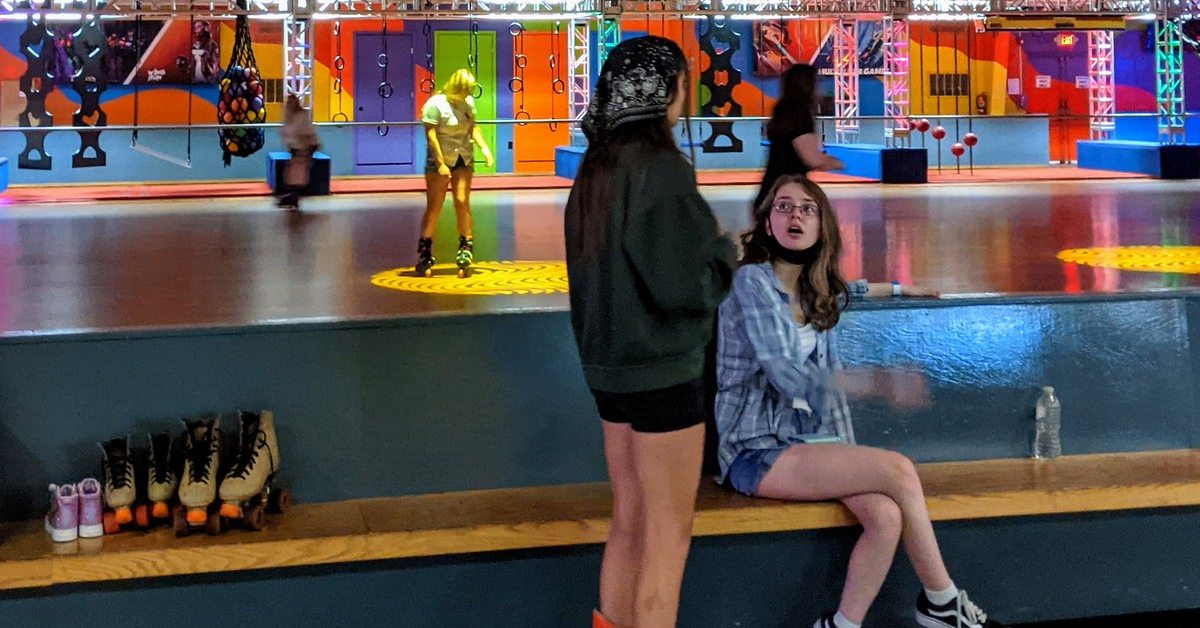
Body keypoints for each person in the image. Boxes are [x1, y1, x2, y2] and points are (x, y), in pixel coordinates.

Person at [716, 174, 1006, 628]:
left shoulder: (816, 290)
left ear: (821, 227)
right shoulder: (751, 284)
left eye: (808, 209)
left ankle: (842, 626)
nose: (795, 215)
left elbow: (850, 288)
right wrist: (879, 381)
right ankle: (942, 602)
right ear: (768, 224)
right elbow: (787, 375)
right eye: (784, 207)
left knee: (887, 515)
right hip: (756, 450)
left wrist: (898, 288)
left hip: (810, 443)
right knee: (899, 470)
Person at [565, 36, 737, 628]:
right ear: (667, 93)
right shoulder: (662, 169)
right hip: (662, 374)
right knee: (670, 535)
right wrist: (722, 253)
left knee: (630, 520)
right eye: (684, 86)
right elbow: (682, 286)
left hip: (607, 374)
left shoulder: (596, 168)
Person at [416, 69, 495, 278]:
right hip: (439, 159)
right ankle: (425, 251)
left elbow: (472, 128)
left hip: (463, 158)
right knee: (435, 206)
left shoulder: (468, 102)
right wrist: (441, 164)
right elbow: (431, 137)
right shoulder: (435, 104)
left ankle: (466, 247)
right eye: (467, 88)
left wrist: (485, 149)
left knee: (462, 201)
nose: (469, 92)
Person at [753, 64, 845, 211]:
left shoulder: (781, 111)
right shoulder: (799, 115)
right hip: (786, 197)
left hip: (771, 193)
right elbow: (812, 159)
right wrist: (838, 163)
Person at [278, 94, 320, 211]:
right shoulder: (290, 116)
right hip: (296, 147)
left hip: (304, 147)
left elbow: (306, 132)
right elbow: (285, 131)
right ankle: (293, 197)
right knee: (294, 173)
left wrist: (306, 149)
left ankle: (293, 197)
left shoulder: (301, 116)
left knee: (296, 173)